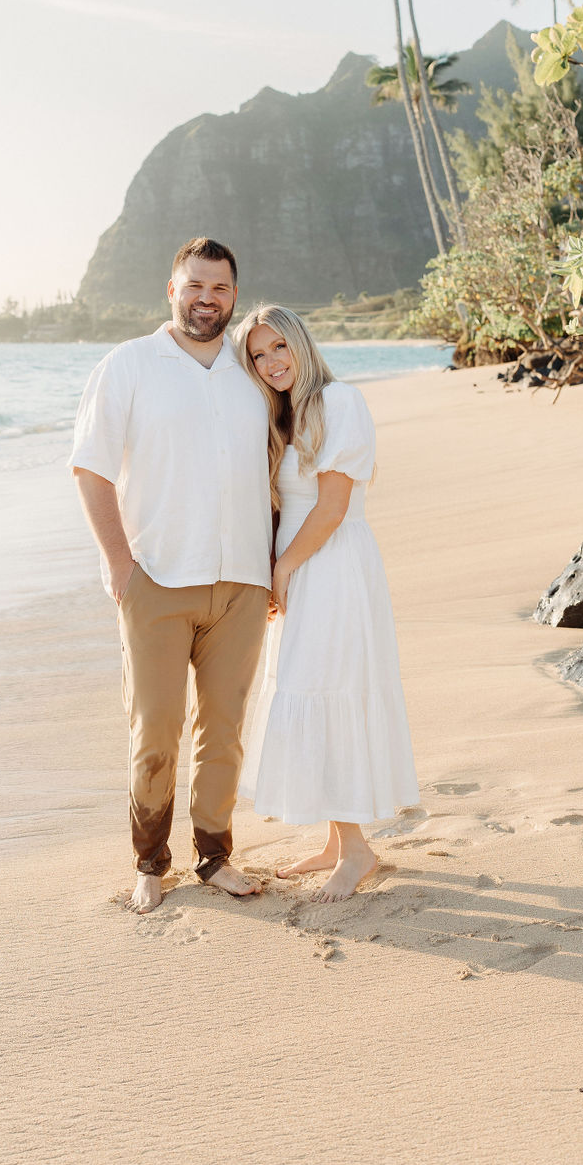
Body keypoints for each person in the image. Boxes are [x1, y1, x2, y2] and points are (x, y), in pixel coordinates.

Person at [69, 238, 272, 914]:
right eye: (194, 286)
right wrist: (120, 565)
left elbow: (283, 461)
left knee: (225, 728)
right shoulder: (129, 365)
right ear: (171, 289)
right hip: (154, 580)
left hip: (242, 582)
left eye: (218, 288)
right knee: (154, 730)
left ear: (234, 296)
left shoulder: (252, 369)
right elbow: (90, 468)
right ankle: (150, 862)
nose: (206, 299)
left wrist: (273, 563)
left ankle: (215, 856)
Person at [233, 304, 420, 902]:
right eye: (258, 355)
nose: (271, 363)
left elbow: (333, 505)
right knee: (307, 686)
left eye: (279, 348)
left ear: (302, 345)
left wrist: (284, 567)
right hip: (301, 567)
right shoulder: (281, 415)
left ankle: (358, 848)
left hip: (332, 565)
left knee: (331, 686)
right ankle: (341, 841)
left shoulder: (341, 402)